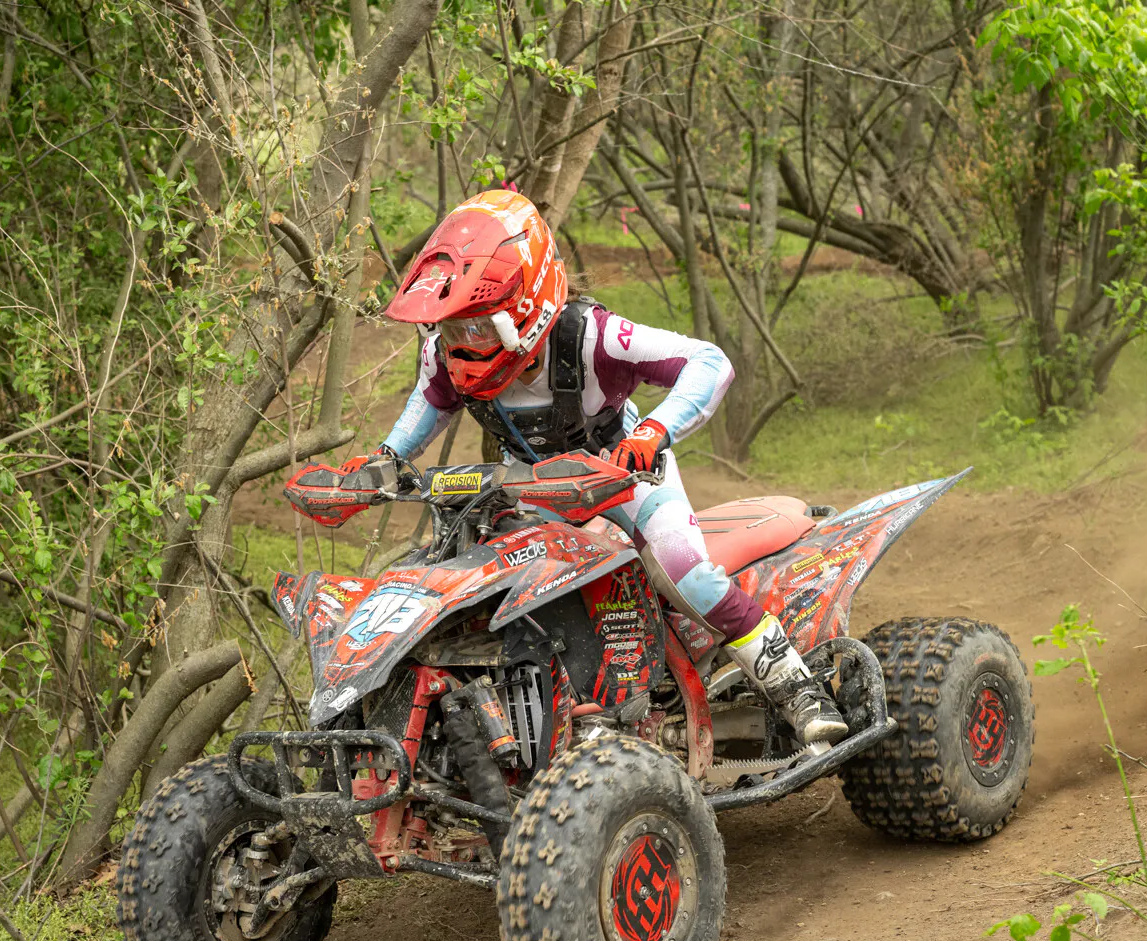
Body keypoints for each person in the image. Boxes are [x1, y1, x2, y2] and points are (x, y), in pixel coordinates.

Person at [343, 188, 847, 748]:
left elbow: (709, 361)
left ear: (524, 309)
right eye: (452, 329)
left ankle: (798, 689)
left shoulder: (591, 338)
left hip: (623, 477)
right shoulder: (447, 353)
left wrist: (652, 432)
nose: (461, 345)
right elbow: (430, 402)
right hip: (526, 490)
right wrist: (386, 459)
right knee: (475, 593)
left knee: (686, 572)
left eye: (476, 329)